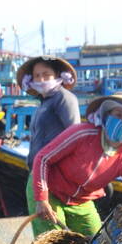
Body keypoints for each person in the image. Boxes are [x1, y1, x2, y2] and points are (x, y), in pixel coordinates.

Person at [31, 92, 122, 238]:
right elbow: (42, 159)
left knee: (98, 242)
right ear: (106, 116)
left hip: (81, 201)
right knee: (53, 240)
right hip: (49, 189)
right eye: (118, 115)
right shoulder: (81, 133)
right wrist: (41, 199)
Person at [16, 55, 80, 234]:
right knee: (49, 234)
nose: (41, 79)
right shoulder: (43, 103)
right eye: (37, 76)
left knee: (59, 233)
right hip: (38, 174)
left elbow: (76, 136)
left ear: (58, 75)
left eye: (46, 74)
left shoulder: (64, 98)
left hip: (57, 175)